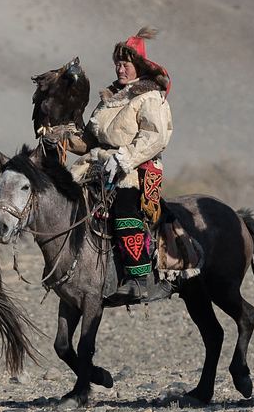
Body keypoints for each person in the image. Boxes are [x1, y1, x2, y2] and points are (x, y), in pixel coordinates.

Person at [65, 26, 175, 303]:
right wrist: (64, 138)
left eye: (125, 64)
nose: (120, 69)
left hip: (134, 170)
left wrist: (124, 158)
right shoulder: (110, 99)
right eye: (117, 63)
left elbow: (155, 136)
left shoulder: (149, 97)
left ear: (137, 65)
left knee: (124, 210)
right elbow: (90, 140)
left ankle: (140, 278)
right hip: (97, 165)